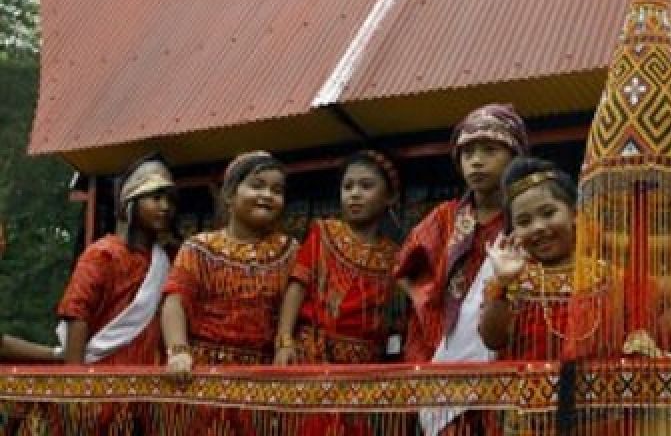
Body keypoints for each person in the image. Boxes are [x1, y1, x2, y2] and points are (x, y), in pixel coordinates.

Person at [394, 103, 527, 435]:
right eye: (467, 153)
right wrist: (430, 310)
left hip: (507, 349)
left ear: (516, 157)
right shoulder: (444, 218)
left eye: (490, 150)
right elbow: (406, 269)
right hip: (445, 348)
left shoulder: (526, 219)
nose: (477, 161)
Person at [161, 151, 296, 375]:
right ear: (229, 195)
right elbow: (175, 301)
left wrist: (285, 343)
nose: (267, 195)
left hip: (262, 376)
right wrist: (178, 351)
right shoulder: (199, 248)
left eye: (277, 190)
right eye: (257, 185)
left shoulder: (290, 251)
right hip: (202, 373)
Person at [275, 150, 401, 365]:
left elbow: (394, 317)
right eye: (347, 186)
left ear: (389, 197)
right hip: (312, 354)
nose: (354, 193)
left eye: (366, 186)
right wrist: (285, 342)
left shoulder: (394, 255)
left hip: (365, 363)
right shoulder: (323, 234)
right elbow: (297, 287)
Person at [480, 157, 612, 361]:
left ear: (574, 214)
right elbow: (492, 340)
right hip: (524, 391)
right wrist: (504, 283)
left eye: (548, 213)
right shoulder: (509, 283)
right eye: (524, 222)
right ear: (513, 232)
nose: (538, 227)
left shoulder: (607, 277)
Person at [56, 154, 177, 365]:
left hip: (150, 379)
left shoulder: (167, 259)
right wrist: (73, 386)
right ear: (129, 203)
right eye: (155, 198)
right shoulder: (102, 255)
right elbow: (77, 315)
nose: (165, 206)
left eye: (169, 199)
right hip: (104, 379)